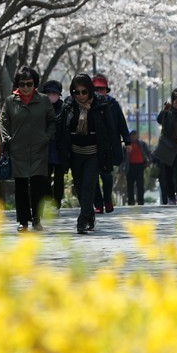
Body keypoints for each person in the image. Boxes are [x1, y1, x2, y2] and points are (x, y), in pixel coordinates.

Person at [57, 73, 118, 234]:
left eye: (84, 92)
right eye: (77, 92)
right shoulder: (69, 105)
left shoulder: (100, 105)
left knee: (88, 185)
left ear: (90, 91)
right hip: (75, 154)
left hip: (94, 153)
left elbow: (111, 130)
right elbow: (62, 129)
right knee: (79, 188)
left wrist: (114, 151)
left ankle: (82, 220)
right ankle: (89, 214)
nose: (81, 96)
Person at [0, 66, 56, 232]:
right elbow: (3, 121)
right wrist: (6, 138)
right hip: (18, 150)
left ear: (35, 84)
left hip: (39, 149)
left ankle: (36, 219)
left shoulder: (44, 100)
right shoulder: (10, 101)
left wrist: (47, 136)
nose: (25, 87)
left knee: (38, 185)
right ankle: (23, 221)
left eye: (29, 83)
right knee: (21, 186)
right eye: (22, 84)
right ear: (17, 84)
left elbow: (52, 121)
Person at [92, 73, 131, 214]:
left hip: (108, 146)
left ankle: (107, 199)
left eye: (102, 89)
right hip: (92, 145)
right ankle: (97, 203)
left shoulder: (113, 105)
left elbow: (121, 123)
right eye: (96, 89)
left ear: (106, 90)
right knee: (93, 176)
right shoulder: (87, 105)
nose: (99, 92)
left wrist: (127, 141)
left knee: (107, 175)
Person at [42, 79, 65, 212]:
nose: (51, 96)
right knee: (45, 175)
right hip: (45, 148)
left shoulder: (64, 108)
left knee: (59, 178)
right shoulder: (41, 107)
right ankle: (49, 198)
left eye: (54, 93)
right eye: (49, 93)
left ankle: (56, 203)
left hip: (60, 148)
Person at [126, 129, 151, 205]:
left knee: (140, 185)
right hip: (130, 166)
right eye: (132, 135)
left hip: (140, 166)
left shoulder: (142, 144)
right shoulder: (127, 145)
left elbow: (148, 153)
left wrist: (148, 162)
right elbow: (124, 157)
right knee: (130, 185)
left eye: (134, 135)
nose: (133, 136)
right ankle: (131, 201)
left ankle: (140, 201)